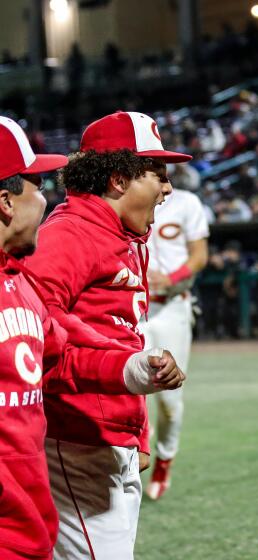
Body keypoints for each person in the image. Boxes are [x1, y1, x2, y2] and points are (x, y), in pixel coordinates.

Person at [0, 116, 185, 560]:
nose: (168, 188)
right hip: (76, 436)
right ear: (119, 179)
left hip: (103, 434)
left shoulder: (122, 235)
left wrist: (135, 433)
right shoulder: (68, 234)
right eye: (157, 173)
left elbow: (107, 334)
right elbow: (41, 344)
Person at [141, 171, 209, 501]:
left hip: (171, 307)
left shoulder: (186, 203)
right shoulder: (129, 202)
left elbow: (199, 256)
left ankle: (164, 459)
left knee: (168, 399)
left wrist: (170, 277)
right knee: (127, 390)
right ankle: (134, 454)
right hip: (133, 309)